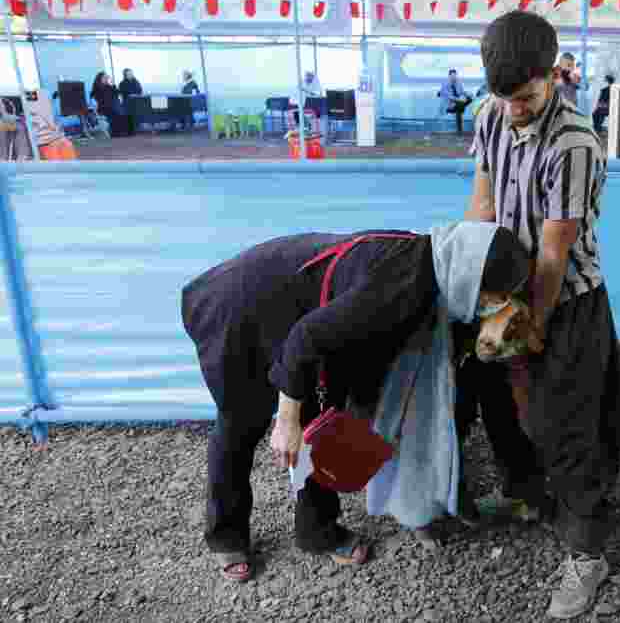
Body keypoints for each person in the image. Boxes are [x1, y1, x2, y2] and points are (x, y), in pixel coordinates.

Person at [180, 223, 531, 584]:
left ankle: (315, 529)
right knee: (241, 422)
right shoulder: (401, 288)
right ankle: (226, 534)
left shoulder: (437, 262)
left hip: (306, 309)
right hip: (240, 310)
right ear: (470, 279)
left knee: (323, 422)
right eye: (491, 298)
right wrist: (286, 419)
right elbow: (305, 337)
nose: (491, 306)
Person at [461, 10, 620, 620]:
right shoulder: (489, 115)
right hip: (504, 294)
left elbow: (554, 255)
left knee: (568, 425)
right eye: (502, 97)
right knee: (499, 401)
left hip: (566, 302)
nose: (512, 109)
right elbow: (482, 205)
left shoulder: (574, 142)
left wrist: (529, 327)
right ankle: (528, 494)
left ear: (553, 75)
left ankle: (588, 554)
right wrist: (482, 295)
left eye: (525, 97)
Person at [90, 72, 130, 138]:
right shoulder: (96, 88)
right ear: (99, 79)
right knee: (115, 113)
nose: (106, 79)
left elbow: (117, 93)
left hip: (112, 107)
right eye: (104, 78)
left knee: (123, 112)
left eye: (107, 77)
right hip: (102, 108)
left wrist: (113, 85)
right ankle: (116, 133)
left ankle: (123, 132)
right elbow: (97, 99)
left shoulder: (108, 86)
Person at [438, 69, 472, 135]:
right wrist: (460, 100)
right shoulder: (445, 85)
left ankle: (459, 131)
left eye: (455, 75)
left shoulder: (458, 83)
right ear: (449, 76)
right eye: (452, 76)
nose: (454, 77)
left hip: (458, 104)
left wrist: (468, 94)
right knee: (460, 107)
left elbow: (462, 92)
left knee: (469, 99)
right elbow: (449, 97)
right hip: (449, 106)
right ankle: (460, 131)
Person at [118, 69, 142, 136]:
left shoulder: (136, 82)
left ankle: (136, 129)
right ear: (125, 75)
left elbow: (140, 90)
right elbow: (122, 93)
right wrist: (130, 94)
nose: (130, 75)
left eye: (131, 73)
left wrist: (135, 94)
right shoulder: (122, 83)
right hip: (127, 103)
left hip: (136, 102)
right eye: (128, 74)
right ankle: (129, 131)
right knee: (128, 114)